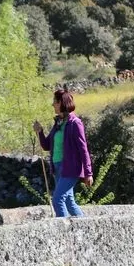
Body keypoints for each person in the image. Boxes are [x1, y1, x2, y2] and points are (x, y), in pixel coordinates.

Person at [33, 89, 94, 217]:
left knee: (57, 200)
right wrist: (40, 132)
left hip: (70, 168)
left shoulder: (75, 123)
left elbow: (83, 149)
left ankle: (65, 233)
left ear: (61, 103)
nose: (52, 104)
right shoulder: (58, 124)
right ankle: (83, 229)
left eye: (55, 101)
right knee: (69, 202)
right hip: (57, 168)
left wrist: (88, 173)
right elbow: (46, 145)